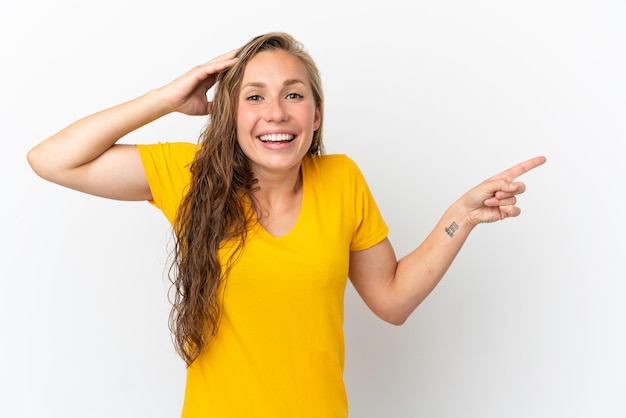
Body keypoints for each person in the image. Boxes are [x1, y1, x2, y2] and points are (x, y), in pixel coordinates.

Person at [27, 32, 546, 417]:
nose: (275, 112)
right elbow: (53, 159)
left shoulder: (341, 179)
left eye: (293, 95)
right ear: (228, 115)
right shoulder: (188, 177)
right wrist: (166, 98)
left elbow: (392, 301)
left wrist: (461, 217)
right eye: (253, 96)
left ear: (316, 115)